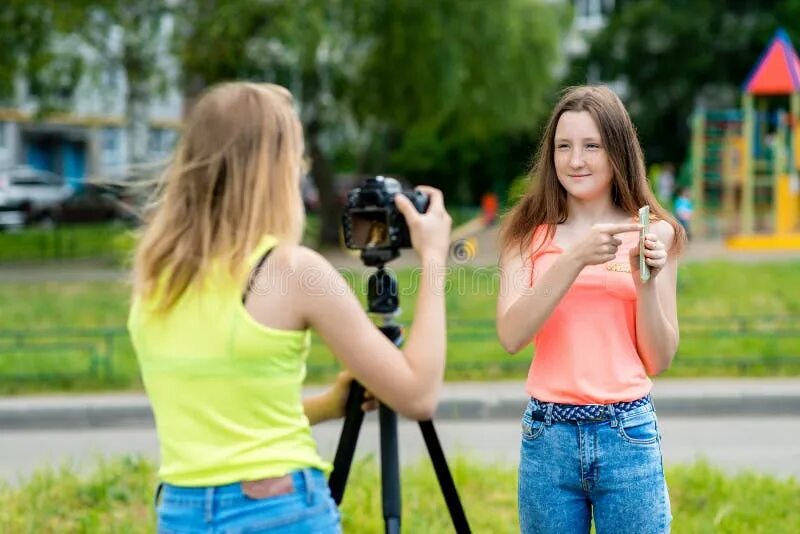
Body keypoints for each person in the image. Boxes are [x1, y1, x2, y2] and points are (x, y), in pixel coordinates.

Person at [127, 82, 452, 533]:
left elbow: (224, 420)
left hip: (180, 512)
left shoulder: (154, 277)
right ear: (273, 170)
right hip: (278, 511)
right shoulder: (291, 270)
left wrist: (326, 406)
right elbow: (418, 394)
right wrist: (434, 258)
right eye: (296, 158)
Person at [496, 85, 686, 534]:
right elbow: (511, 335)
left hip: (628, 434)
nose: (575, 160)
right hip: (547, 438)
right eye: (563, 146)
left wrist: (647, 281)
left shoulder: (656, 233)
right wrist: (574, 258)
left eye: (591, 146)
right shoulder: (526, 235)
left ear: (617, 150)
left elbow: (659, 359)